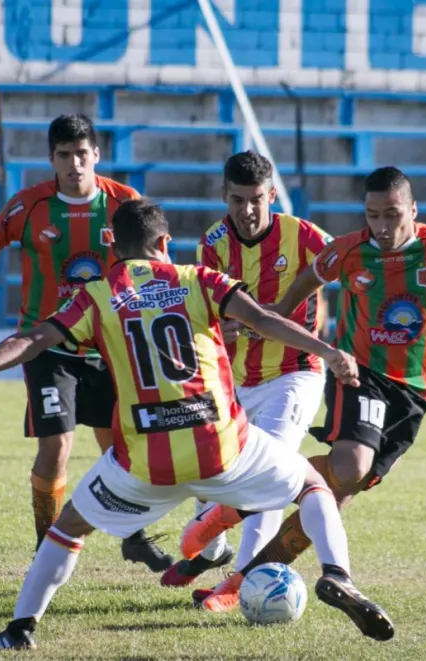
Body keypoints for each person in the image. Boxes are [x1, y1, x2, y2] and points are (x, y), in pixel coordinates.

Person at [0, 199, 395, 649]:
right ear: (165, 242)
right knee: (313, 487)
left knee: (67, 528)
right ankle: (337, 574)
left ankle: (21, 627)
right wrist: (329, 352)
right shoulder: (200, 279)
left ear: (113, 250)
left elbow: (33, 339)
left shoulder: (97, 296)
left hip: (144, 465)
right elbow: (264, 320)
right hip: (223, 449)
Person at [184, 166, 426, 612]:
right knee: (349, 467)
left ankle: (238, 568)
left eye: (392, 215)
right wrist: (278, 310)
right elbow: (313, 275)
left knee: (337, 492)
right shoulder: (350, 250)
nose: (382, 227)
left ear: (413, 210)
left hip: (416, 393)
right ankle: (259, 550)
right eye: (373, 216)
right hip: (361, 374)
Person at [0, 114, 171, 571]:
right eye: (64, 155)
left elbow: (154, 258)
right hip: (47, 344)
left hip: (109, 342)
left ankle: (134, 536)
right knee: (56, 447)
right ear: (51, 158)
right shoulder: (30, 206)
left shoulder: (124, 202)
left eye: (82, 154)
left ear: (96, 154)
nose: (74, 164)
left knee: (121, 444)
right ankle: (46, 547)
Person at [160, 151, 333, 588]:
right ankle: (212, 553)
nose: (248, 210)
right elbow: (208, 315)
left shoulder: (305, 236)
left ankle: (243, 583)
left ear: (272, 195)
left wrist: (327, 326)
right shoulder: (212, 243)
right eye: (238, 200)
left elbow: (343, 271)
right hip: (234, 382)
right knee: (209, 473)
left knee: (272, 471)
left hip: (295, 372)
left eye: (257, 199)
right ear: (224, 196)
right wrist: (233, 329)